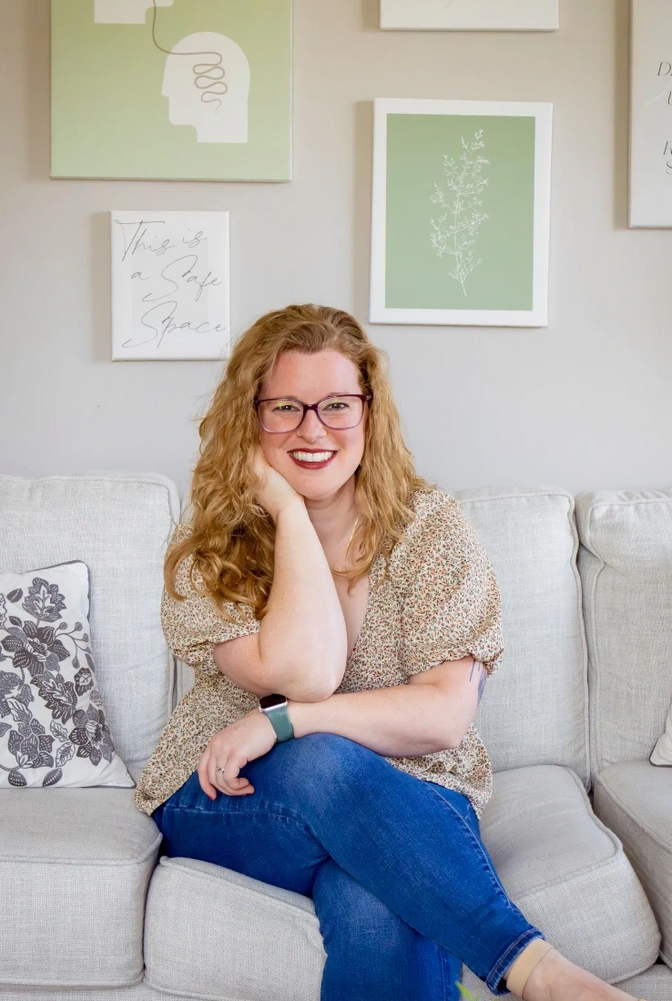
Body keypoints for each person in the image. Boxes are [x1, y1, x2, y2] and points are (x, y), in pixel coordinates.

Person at [134, 304, 647, 1001]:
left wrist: (285, 721)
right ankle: (537, 971)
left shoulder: (428, 527)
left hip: (411, 794)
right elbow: (308, 672)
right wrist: (289, 513)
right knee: (325, 765)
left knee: (377, 898)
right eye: (285, 407)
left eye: (336, 405)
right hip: (230, 797)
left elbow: (443, 717)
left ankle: (446, 904)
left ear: (369, 413)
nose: (313, 429)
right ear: (248, 419)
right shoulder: (213, 541)